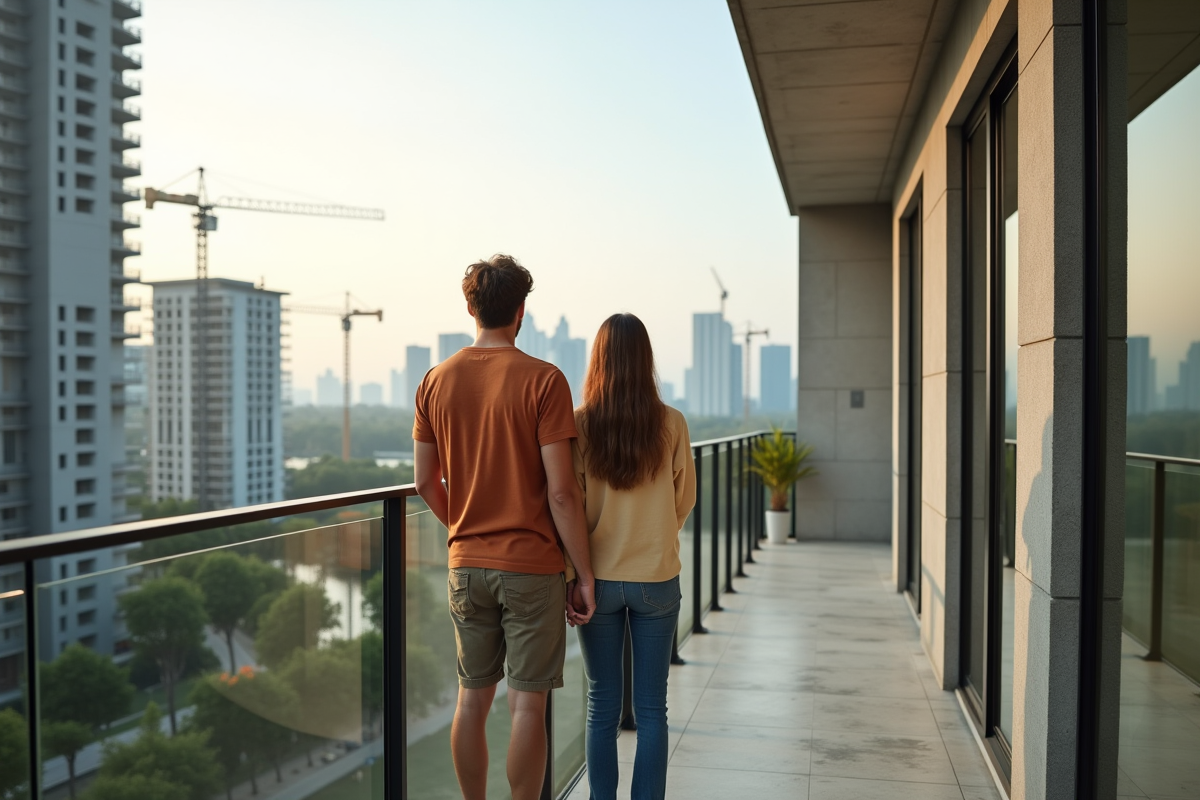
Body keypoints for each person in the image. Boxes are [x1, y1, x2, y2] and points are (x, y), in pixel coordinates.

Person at [413, 254, 596, 800]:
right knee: (527, 701)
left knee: (472, 699)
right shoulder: (544, 381)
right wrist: (582, 573)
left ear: (470, 308)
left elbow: (426, 482)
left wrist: (465, 529)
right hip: (533, 567)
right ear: (521, 312)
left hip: (466, 567)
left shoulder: (435, 381)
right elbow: (563, 492)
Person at [567, 313, 696, 800]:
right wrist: (657, 533)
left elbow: (570, 506)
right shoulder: (672, 423)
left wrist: (574, 574)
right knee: (652, 709)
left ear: (598, 360)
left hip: (593, 579)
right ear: (646, 360)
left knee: (601, 705)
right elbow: (684, 498)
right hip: (657, 580)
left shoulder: (579, 426)